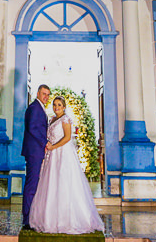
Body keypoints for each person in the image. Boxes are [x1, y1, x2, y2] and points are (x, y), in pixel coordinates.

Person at [28, 96, 105, 235]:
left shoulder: (65, 119)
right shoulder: (52, 119)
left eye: (59, 105)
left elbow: (67, 138)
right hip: (52, 155)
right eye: (54, 104)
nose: (56, 107)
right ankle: (49, 218)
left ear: (64, 107)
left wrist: (53, 147)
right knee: (51, 183)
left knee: (64, 183)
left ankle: (68, 219)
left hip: (63, 154)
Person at [21, 84, 50, 230]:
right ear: (38, 93)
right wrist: (45, 142)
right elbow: (32, 128)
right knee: (31, 184)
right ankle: (27, 220)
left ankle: (31, 216)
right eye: (44, 94)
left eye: (48, 94)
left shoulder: (39, 108)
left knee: (34, 184)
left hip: (36, 151)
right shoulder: (34, 108)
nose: (46, 97)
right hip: (34, 152)